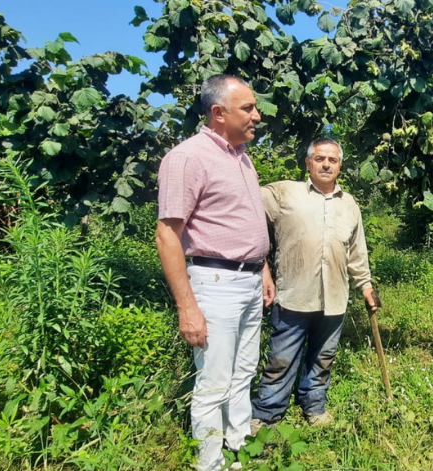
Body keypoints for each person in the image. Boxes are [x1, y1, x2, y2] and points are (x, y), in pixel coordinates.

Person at [155, 75, 275, 471]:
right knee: (214, 381)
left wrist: (262, 268)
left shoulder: (241, 157)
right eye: (248, 108)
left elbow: (243, 220)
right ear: (218, 113)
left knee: (244, 371)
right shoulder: (188, 158)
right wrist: (187, 306)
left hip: (249, 280)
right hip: (216, 282)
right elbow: (167, 235)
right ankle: (210, 463)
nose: (257, 115)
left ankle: (239, 445)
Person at [251, 138, 378, 432]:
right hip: (294, 295)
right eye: (320, 159)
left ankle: (314, 405)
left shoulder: (349, 204)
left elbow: (357, 252)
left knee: (323, 358)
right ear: (308, 163)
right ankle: (267, 412)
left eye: (333, 160)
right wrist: (261, 264)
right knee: (281, 359)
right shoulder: (283, 193)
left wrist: (366, 286)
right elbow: (246, 211)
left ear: (340, 165)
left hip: (334, 297)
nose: (326, 165)